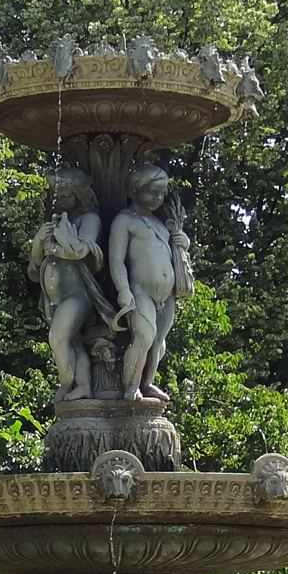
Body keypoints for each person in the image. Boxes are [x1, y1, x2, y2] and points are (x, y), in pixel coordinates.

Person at [28, 167, 114, 402]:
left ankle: (66, 384)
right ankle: (83, 385)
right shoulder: (53, 224)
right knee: (73, 343)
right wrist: (38, 243)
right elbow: (34, 272)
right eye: (57, 195)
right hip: (52, 300)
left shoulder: (89, 219)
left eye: (66, 195)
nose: (60, 201)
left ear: (79, 194)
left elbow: (81, 251)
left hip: (78, 296)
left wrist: (52, 247)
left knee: (58, 339)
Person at [108, 164, 190, 401]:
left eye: (162, 193)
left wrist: (182, 241)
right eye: (152, 192)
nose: (158, 198)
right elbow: (116, 259)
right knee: (144, 336)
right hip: (139, 290)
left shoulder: (160, 223)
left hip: (167, 296)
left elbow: (173, 252)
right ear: (135, 190)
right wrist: (123, 289)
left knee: (158, 343)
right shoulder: (125, 220)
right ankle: (130, 386)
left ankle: (147, 383)